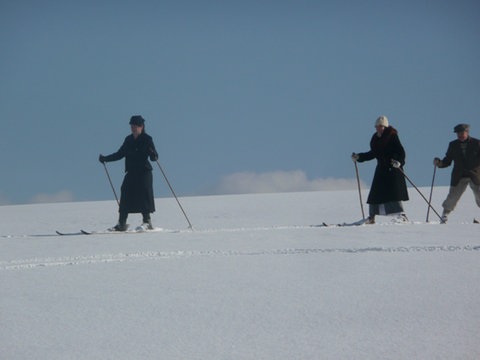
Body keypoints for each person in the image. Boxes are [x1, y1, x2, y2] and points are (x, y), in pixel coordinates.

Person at [99, 115, 158, 231]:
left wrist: (153, 154)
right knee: (125, 193)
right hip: (131, 172)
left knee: (144, 194)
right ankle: (121, 223)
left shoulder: (147, 139)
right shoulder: (128, 140)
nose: (133, 128)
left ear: (141, 126)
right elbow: (120, 154)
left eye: (135, 126)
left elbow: (154, 157)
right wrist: (106, 159)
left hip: (144, 172)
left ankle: (147, 222)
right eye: (132, 126)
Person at [351, 115, 409, 224]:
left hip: (393, 169)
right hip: (381, 170)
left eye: (381, 126)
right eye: (377, 126)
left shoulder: (392, 136)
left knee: (393, 194)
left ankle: (401, 215)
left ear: (385, 127)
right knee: (375, 194)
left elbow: (401, 151)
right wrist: (359, 157)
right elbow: (373, 153)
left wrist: (399, 162)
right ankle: (371, 217)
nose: (379, 128)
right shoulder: (376, 139)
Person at [433, 124, 480, 223]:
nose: (460, 135)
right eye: (458, 133)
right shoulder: (453, 145)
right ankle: (444, 215)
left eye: (462, 132)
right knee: (453, 196)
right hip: (459, 175)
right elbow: (447, 161)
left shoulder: (477, 143)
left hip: (475, 174)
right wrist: (439, 163)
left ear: (467, 132)